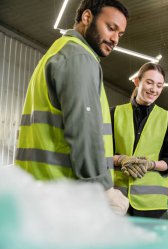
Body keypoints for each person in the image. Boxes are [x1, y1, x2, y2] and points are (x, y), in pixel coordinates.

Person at [15, 0, 129, 215]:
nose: (115, 39)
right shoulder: (79, 58)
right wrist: (101, 188)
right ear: (87, 18)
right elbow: (84, 129)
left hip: (40, 192)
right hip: (62, 196)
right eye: (111, 28)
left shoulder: (58, 51)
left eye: (120, 34)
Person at [111, 63, 168, 218]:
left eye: (159, 85)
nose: (154, 90)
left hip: (152, 204)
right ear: (137, 82)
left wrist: (151, 164)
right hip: (117, 199)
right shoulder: (114, 114)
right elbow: (100, 154)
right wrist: (120, 159)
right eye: (149, 82)